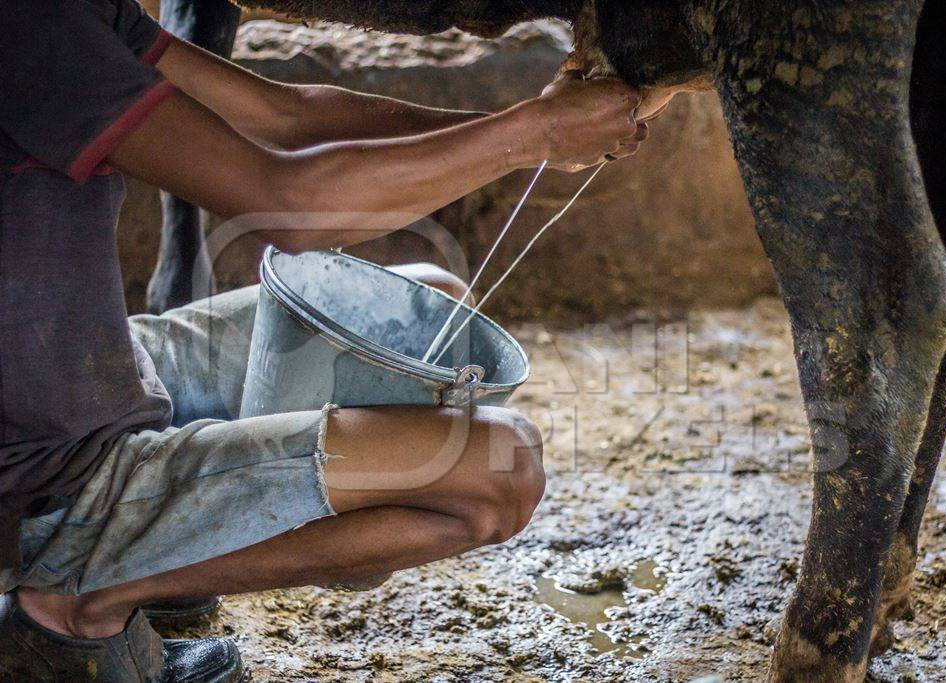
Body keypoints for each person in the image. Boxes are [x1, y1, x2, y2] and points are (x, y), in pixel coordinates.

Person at [0, 1, 654, 680]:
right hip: (43, 473)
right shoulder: (29, 23)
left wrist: (536, 135)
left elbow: (286, 117)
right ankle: (84, 594)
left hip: (98, 363)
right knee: (503, 470)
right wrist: (536, 133)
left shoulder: (80, 11)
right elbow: (290, 200)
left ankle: (154, 552)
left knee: (437, 300)